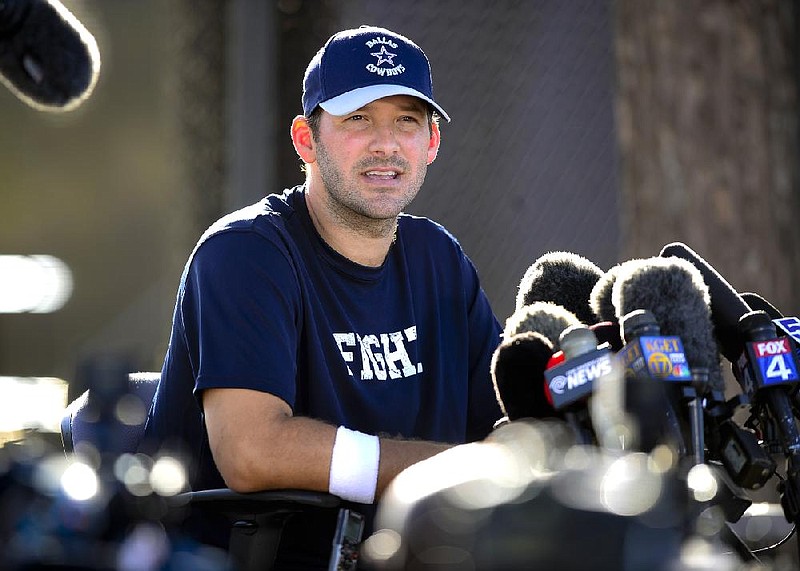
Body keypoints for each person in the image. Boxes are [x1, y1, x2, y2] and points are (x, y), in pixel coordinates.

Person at [142, 24, 503, 568]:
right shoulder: (243, 254)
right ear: (306, 141)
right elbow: (251, 453)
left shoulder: (440, 260)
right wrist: (452, 471)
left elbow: (505, 421)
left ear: (431, 143)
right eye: (358, 119)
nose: (386, 144)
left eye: (406, 121)